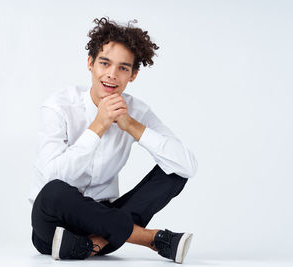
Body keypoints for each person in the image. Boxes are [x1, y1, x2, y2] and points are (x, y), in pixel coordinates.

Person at [28, 17, 198, 264]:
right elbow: (52, 176)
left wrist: (131, 125)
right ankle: (152, 238)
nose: (111, 75)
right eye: (104, 63)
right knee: (53, 191)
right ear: (90, 63)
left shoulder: (137, 112)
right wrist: (98, 126)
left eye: (123, 68)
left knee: (175, 170)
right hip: (52, 232)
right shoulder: (59, 106)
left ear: (134, 74)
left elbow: (188, 165)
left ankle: (91, 245)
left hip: (105, 223)